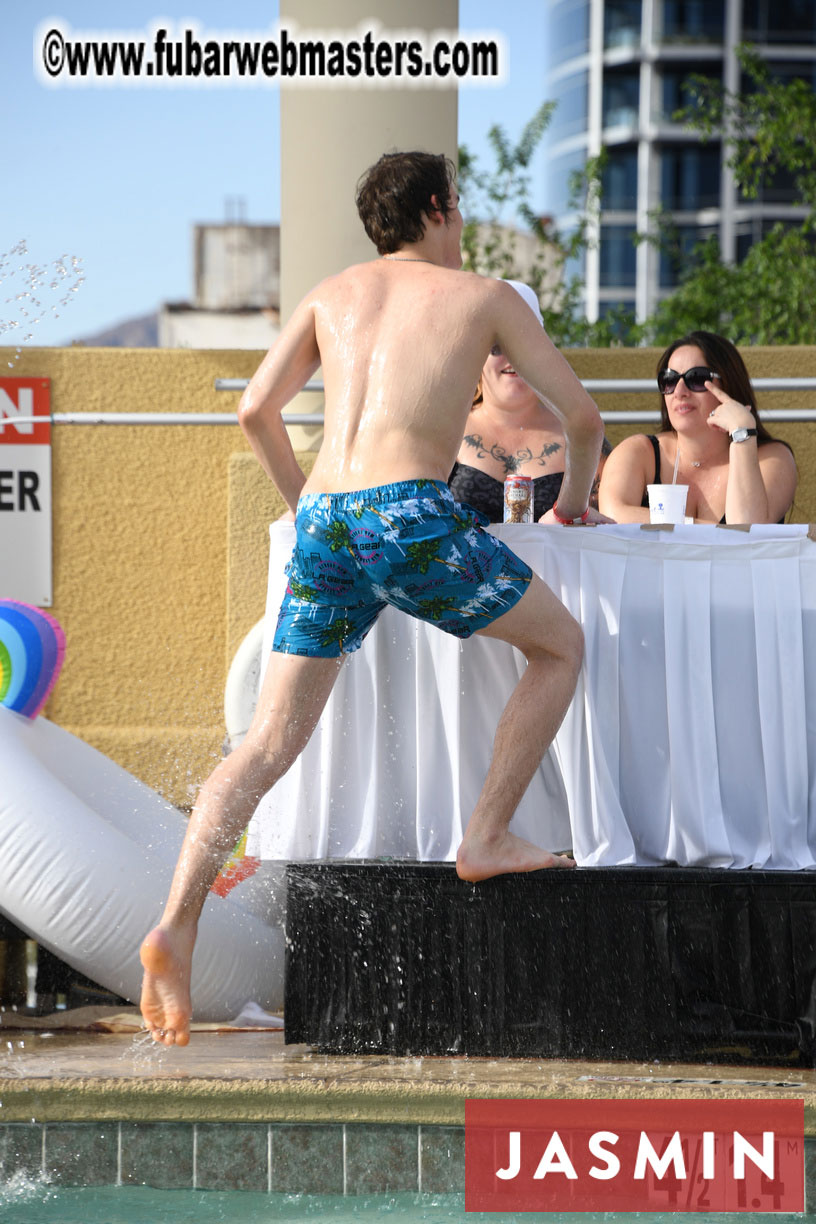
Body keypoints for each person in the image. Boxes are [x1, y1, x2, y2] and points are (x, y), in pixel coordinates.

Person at [139, 150, 605, 1046]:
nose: (462, 224)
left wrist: (305, 507)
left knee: (268, 741)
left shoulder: (331, 292)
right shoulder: (483, 294)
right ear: (437, 208)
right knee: (561, 647)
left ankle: (177, 919)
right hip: (407, 511)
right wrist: (574, 507)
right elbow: (581, 419)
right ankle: (487, 835)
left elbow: (255, 411)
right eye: (459, 208)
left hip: (326, 520)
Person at [449, 280, 610, 521]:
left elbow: (612, 519)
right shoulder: (447, 429)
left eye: (523, 345)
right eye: (497, 347)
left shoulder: (581, 435)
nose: (512, 358)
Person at [598, 330, 797, 524]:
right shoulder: (641, 452)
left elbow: (747, 534)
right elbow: (613, 516)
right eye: (669, 379)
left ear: (728, 384)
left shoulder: (772, 459)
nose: (679, 391)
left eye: (696, 378)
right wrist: (711, 530)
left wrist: (742, 434)